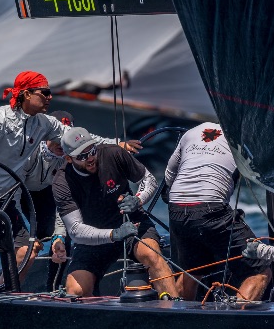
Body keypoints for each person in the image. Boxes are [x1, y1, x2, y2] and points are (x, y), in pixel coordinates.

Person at [0, 70, 140, 290]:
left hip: (6, 199)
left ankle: (4, 297)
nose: (50, 98)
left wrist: (116, 144)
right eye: (45, 93)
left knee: (26, 251)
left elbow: (77, 137)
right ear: (27, 94)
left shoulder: (44, 123)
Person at [53, 126, 179, 298]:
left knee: (151, 254)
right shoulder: (62, 182)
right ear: (68, 158)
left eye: (92, 151)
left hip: (133, 224)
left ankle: (175, 306)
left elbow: (149, 180)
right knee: (75, 290)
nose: (90, 158)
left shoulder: (114, 153)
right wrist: (115, 234)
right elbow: (75, 230)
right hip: (95, 237)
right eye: (82, 156)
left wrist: (138, 199)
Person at [164, 122, 271, 301]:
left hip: (177, 207)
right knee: (260, 268)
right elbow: (261, 173)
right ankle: (234, 323)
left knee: (191, 270)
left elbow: (169, 174)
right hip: (211, 210)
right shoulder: (240, 137)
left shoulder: (191, 132)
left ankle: (181, 323)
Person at [19, 110, 74, 289]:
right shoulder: (29, 150)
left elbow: (63, 203)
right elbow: (11, 197)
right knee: (22, 243)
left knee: (61, 239)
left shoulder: (68, 161)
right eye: (57, 137)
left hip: (46, 195)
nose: (61, 143)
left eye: (66, 138)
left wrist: (59, 235)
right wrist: (24, 235)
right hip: (17, 195)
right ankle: (7, 285)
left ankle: (53, 287)